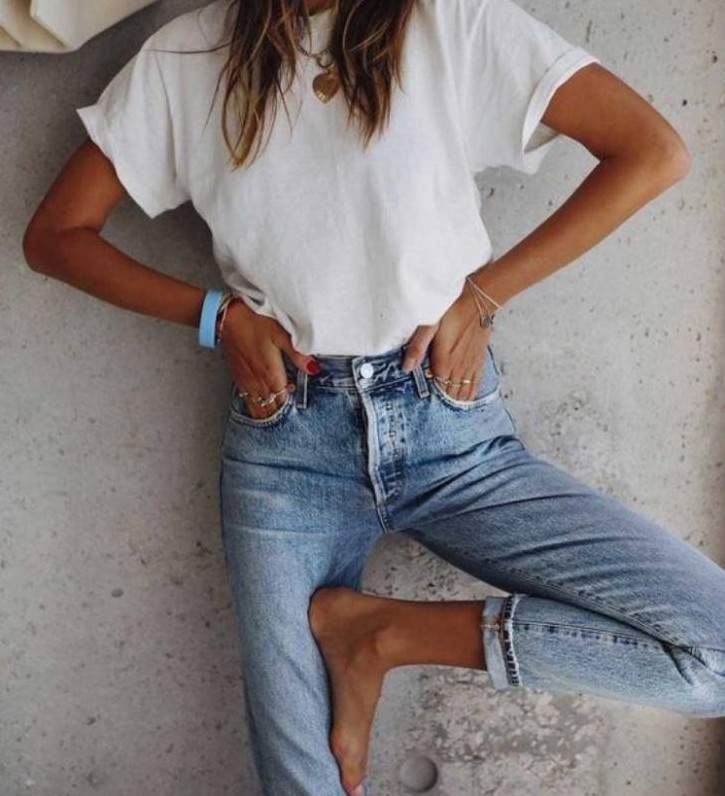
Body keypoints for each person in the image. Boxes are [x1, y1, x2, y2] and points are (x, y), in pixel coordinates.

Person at [22, 1, 724, 795]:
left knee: (716, 653)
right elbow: (56, 236)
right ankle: (367, 640)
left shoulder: (452, 24)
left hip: (450, 429)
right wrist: (221, 319)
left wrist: (483, 296)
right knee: (302, 781)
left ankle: (383, 635)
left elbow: (651, 152)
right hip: (287, 446)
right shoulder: (187, 55)